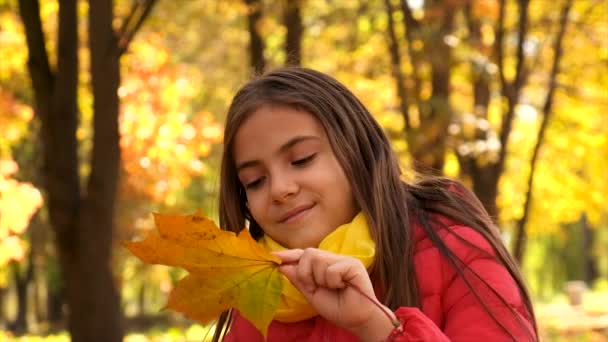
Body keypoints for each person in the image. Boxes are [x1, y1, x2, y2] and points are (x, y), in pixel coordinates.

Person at [213, 67, 537, 341]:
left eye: (302, 159)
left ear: (356, 151)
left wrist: (377, 326)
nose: (279, 189)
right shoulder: (257, 305)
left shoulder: (455, 251)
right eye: (255, 181)